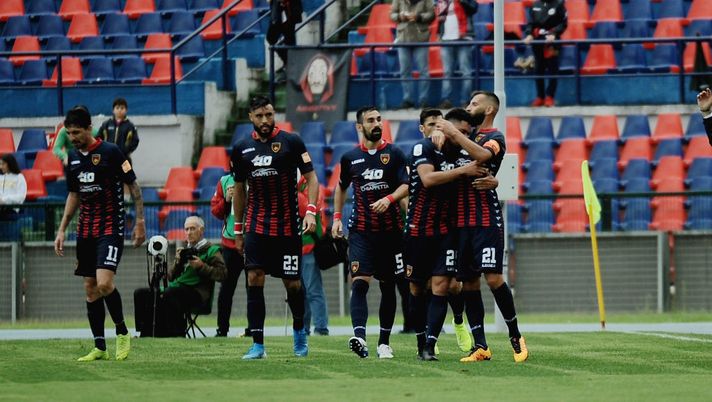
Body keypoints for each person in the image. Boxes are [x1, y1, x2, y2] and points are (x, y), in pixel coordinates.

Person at [438, 91, 528, 363]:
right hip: (460, 222)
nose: (469, 107)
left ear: (489, 109)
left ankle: (516, 337)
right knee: (468, 282)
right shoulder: (465, 136)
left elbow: (482, 156)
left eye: (474, 103)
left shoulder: (494, 137)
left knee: (493, 278)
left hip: (485, 218)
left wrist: (454, 133)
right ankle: (481, 346)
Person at [53, 106, 146, 361]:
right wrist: (62, 230)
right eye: (69, 133)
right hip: (85, 230)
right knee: (90, 288)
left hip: (110, 227)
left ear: (89, 128)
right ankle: (99, 347)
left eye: (76, 132)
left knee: (104, 283)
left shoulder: (111, 152)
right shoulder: (72, 158)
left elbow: (133, 186)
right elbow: (74, 195)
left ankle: (122, 332)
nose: (72, 138)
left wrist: (140, 221)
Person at [230, 95, 319, 359]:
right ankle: (258, 344)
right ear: (251, 118)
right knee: (253, 278)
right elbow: (238, 189)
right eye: (260, 116)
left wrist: (311, 212)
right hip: (257, 226)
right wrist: (238, 229)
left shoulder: (292, 142)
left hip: (288, 227)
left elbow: (312, 179)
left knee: (292, 284)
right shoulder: (241, 148)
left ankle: (300, 331)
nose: (266, 120)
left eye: (269, 115)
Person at [406, 108, 489, 360]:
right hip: (418, 230)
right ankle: (421, 341)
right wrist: (463, 172)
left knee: (443, 285)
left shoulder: (464, 152)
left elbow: (484, 160)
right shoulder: (423, 148)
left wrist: (492, 180)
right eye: (459, 131)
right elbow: (428, 179)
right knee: (418, 289)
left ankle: (430, 346)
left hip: (447, 231)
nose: (464, 136)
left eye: (466, 132)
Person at [332, 106, 409, 359]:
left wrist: (389, 198)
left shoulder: (395, 153)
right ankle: (360, 338)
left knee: (389, 286)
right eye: (370, 120)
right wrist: (336, 218)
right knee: (360, 283)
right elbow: (340, 187)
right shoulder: (349, 158)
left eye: (378, 119)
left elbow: (406, 185)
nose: (377, 124)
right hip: (361, 232)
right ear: (359, 127)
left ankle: (384, 343)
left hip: (391, 232)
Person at [163, 216, 227, 337]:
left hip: (198, 294)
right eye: (186, 229)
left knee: (171, 293)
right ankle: (149, 333)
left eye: (192, 228)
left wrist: (202, 266)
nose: (188, 232)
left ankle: (177, 334)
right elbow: (170, 277)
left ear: (201, 230)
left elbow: (223, 275)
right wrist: (178, 262)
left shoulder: (212, 250)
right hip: (179, 289)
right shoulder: (184, 251)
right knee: (143, 293)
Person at [210, 172, 247, 337]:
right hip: (230, 244)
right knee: (226, 289)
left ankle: (254, 328)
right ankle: (222, 329)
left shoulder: (258, 177)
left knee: (254, 287)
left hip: (252, 242)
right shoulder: (224, 181)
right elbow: (216, 212)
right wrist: (226, 200)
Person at [297, 176, 329, 336]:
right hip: (296, 247)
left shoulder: (311, 186)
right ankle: (303, 328)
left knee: (313, 290)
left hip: (309, 245)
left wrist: (293, 191)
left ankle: (321, 327)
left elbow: (305, 208)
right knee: (300, 291)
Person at [390, 0, 435, 109]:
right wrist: (400, 16)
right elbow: (392, 14)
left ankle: (423, 100)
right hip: (403, 38)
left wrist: (419, 16)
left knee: (423, 71)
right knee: (405, 71)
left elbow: (432, 14)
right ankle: (408, 99)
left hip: (421, 37)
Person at [523, 0, 568, 107]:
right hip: (537, 42)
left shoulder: (559, 4)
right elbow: (530, 23)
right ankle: (540, 97)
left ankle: (550, 97)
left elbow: (564, 23)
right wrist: (529, 34)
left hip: (552, 42)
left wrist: (554, 33)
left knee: (553, 70)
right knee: (538, 69)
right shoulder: (535, 5)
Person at [436, 0, 478, 109]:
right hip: (446, 39)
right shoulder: (442, 1)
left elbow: (473, 8)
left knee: (466, 72)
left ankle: (465, 101)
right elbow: (440, 18)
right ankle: (445, 100)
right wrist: (438, 33)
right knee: (447, 72)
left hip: (464, 38)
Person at [267, 0, 303, 81]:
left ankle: (290, 68)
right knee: (271, 37)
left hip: (289, 8)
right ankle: (289, 64)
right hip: (279, 8)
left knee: (289, 38)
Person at [98, 98, 139, 162]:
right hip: (107, 157)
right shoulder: (106, 124)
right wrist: (103, 150)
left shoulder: (130, 126)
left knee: (126, 171)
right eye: (117, 108)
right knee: (107, 172)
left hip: (124, 158)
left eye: (122, 108)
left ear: (126, 110)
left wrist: (126, 151)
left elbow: (135, 140)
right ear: (113, 110)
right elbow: (98, 138)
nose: (119, 110)